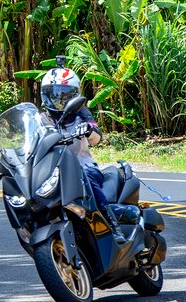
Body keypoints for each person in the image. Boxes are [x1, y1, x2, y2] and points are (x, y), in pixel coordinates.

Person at [39, 56, 127, 245]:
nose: (58, 98)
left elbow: (97, 137)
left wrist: (89, 130)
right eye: (53, 93)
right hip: (52, 170)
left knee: (88, 181)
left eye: (64, 94)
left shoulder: (81, 114)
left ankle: (113, 226)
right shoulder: (41, 119)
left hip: (82, 166)